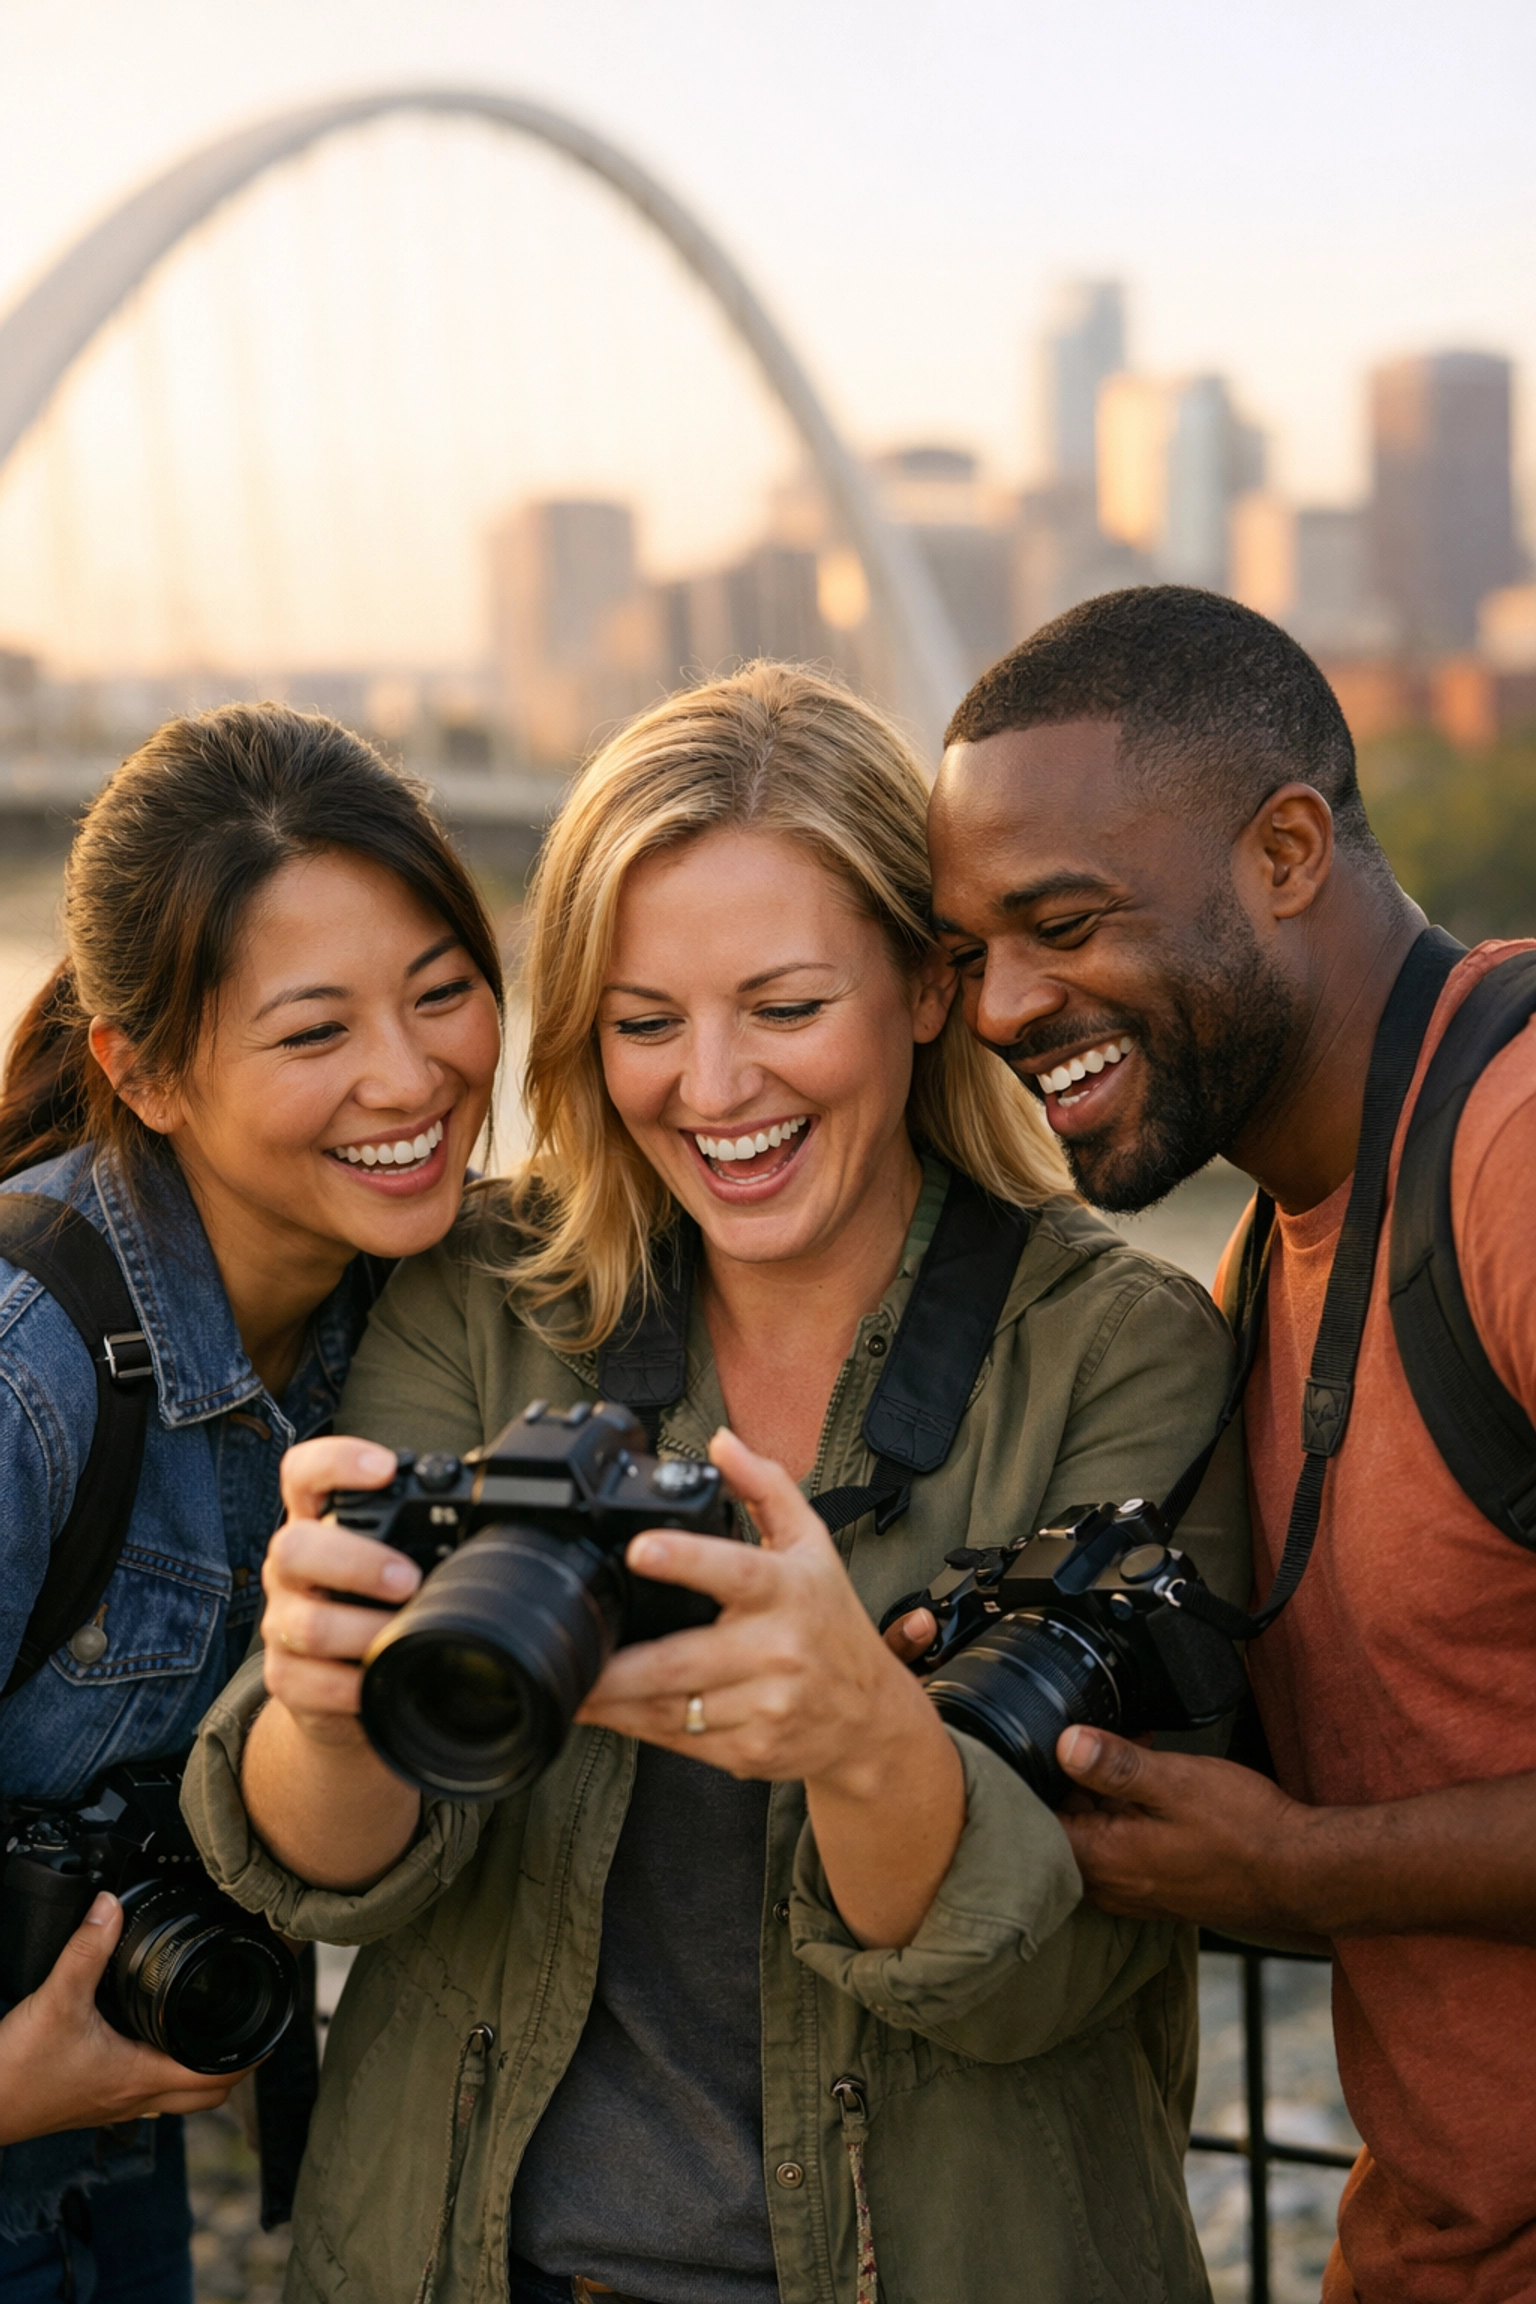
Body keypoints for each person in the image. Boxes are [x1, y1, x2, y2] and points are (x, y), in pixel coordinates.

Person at [184, 662, 1246, 2304]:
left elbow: (1043, 1970)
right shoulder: (484, 1295)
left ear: (923, 985)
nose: (716, 1088)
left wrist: (855, 1729)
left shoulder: (1126, 1355)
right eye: (644, 1023)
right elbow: (331, 1868)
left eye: (785, 1006)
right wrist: (325, 1709)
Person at [927, 585, 1536, 2304]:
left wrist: (1301, 1865)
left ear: (1284, 852)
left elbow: (1333, 1852)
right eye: (971, 952)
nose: (997, 1007)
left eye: (1062, 923)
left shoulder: (1511, 1156)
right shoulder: (1265, 1268)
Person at [0, 702, 502, 2302]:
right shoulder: (27, 1372)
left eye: (442, 993)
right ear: (141, 1073)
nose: (410, 1076)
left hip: (113, 2165)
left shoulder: (408, 1324)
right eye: (313, 1035)